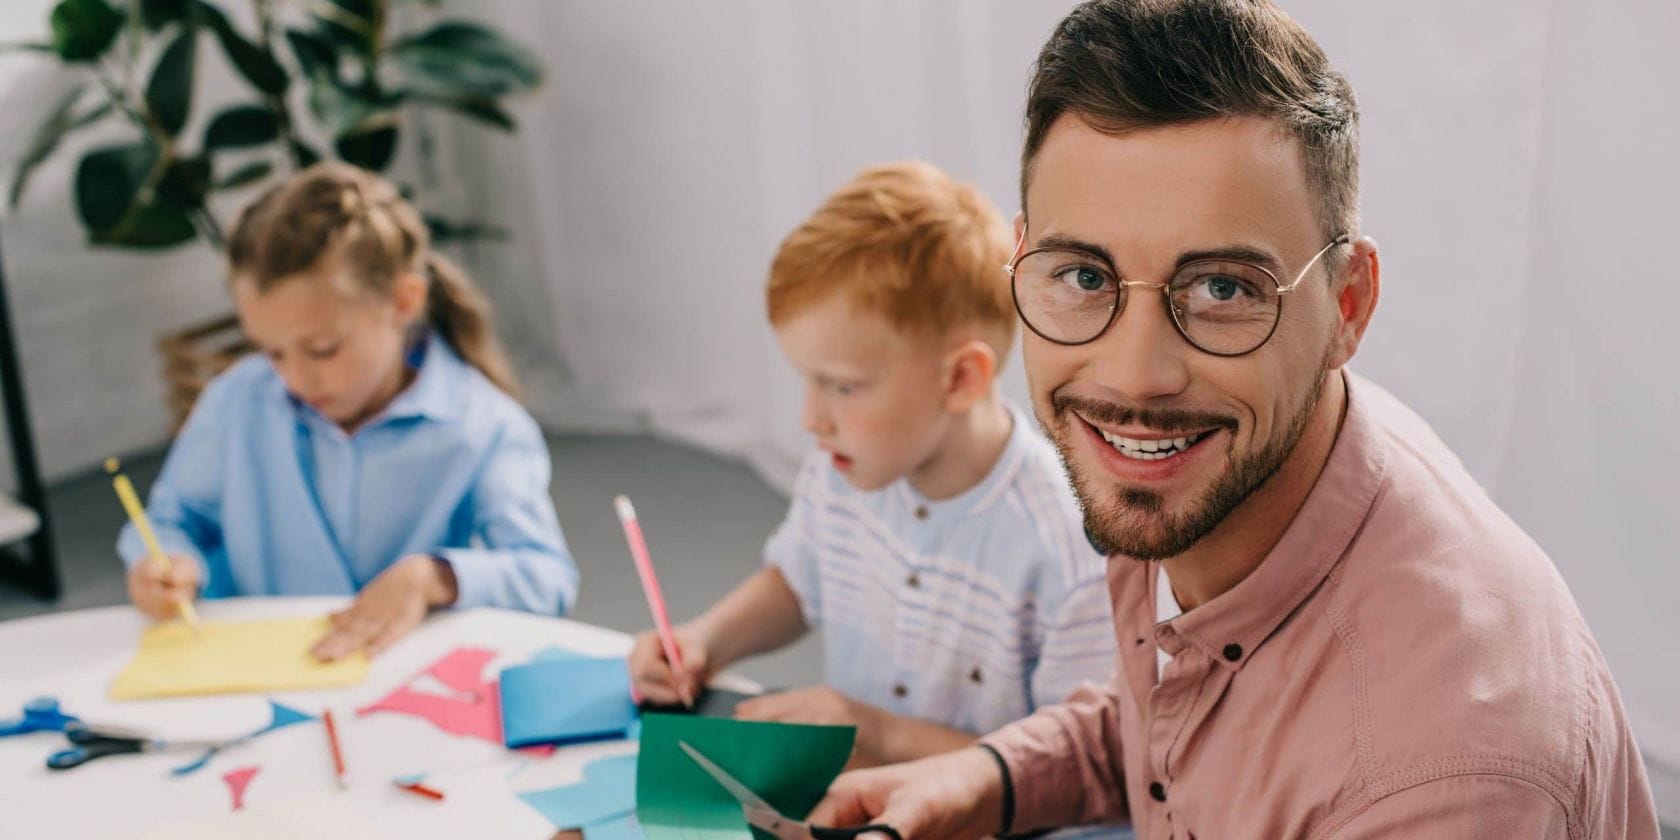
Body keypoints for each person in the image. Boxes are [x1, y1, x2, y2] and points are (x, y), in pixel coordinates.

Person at [810, 2, 1660, 837]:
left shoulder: (1443, 777)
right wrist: (986, 778)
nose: (1134, 377)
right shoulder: (1216, 472)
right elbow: (1181, 715)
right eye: (1082, 276)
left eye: (1223, 288)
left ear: (1346, 307)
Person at [629, 161, 1116, 774]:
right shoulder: (844, 468)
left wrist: (881, 736)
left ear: (961, 379)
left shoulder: (1068, 554)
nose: (811, 418)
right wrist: (703, 642)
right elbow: (802, 580)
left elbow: (1073, 770)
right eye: (809, 381)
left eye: (842, 387)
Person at [120, 162, 579, 661]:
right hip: (262, 674)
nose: (295, 379)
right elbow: (173, 519)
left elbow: (546, 578)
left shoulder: (486, 426)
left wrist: (433, 577)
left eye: (322, 350)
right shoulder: (237, 400)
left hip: (407, 678)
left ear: (403, 302)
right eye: (272, 352)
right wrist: (164, 562)